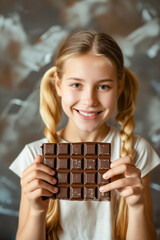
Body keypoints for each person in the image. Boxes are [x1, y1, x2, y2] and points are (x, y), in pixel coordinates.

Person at [9, 30, 160, 240]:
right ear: (58, 85)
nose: (89, 100)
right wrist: (36, 211)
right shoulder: (34, 156)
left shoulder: (136, 152)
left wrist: (136, 206)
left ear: (119, 86)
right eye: (76, 85)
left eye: (103, 86)